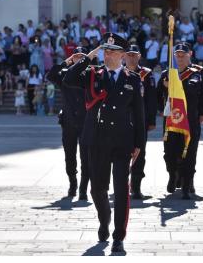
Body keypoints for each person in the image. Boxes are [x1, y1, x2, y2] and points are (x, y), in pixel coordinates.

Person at [63, 32, 145, 253]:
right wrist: (88, 57)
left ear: (122, 55)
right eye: (105, 51)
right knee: (97, 189)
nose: (107, 55)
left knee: (120, 189)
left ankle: (119, 236)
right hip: (97, 140)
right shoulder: (92, 74)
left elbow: (139, 115)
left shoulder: (132, 79)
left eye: (111, 52)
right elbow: (68, 79)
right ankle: (104, 219)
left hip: (122, 141)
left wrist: (139, 145)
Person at [157, 42, 203, 199]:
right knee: (169, 153)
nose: (179, 58)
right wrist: (161, 107)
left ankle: (187, 185)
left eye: (182, 55)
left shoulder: (197, 73)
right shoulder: (167, 74)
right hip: (171, 121)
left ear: (190, 54)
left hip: (190, 119)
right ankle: (173, 175)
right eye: (177, 55)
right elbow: (158, 94)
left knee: (189, 153)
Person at [47, 47, 89, 200]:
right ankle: (73, 183)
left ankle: (84, 188)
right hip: (69, 122)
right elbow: (50, 75)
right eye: (76, 57)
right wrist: (65, 62)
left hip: (85, 122)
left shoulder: (90, 75)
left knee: (86, 158)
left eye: (82, 57)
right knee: (69, 157)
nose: (79, 60)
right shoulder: (64, 74)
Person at [124, 44, 157, 199]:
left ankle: (136, 187)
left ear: (139, 56)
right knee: (120, 154)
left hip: (139, 121)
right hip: (121, 120)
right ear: (124, 56)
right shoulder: (118, 73)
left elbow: (151, 99)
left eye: (134, 54)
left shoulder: (146, 74)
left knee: (139, 154)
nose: (131, 57)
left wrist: (150, 120)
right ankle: (121, 185)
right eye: (128, 54)